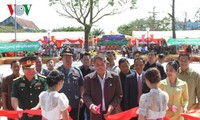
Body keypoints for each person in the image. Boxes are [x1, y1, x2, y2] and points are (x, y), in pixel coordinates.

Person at [83, 53, 123, 120]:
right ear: (94, 65)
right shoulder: (88, 78)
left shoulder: (115, 77)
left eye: (102, 64)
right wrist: (91, 105)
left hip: (110, 113)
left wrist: (112, 106)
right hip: (95, 114)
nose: (100, 67)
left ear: (106, 64)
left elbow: (119, 95)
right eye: (97, 65)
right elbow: (86, 95)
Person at [57, 47, 84, 120]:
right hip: (61, 104)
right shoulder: (57, 72)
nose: (67, 59)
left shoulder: (77, 71)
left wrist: (81, 97)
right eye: (65, 57)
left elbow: (81, 85)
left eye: (69, 57)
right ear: (62, 58)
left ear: (72, 58)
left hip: (74, 103)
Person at [79, 52, 95, 120]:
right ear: (81, 60)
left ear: (90, 60)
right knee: (81, 114)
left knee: (91, 114)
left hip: (91, 96)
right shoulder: (78, 70)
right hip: (81, 97)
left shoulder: (94, 70)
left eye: (87, 59)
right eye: (84, 59)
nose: (86, 61)